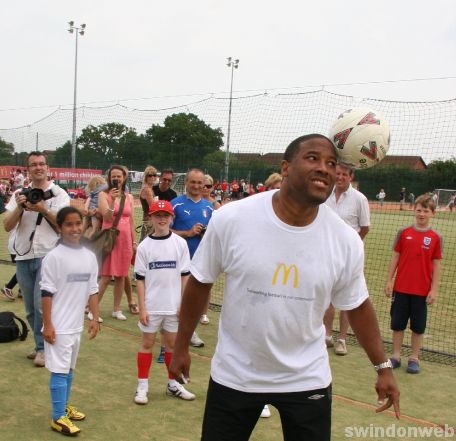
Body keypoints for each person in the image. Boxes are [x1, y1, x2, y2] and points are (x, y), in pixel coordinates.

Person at [170, 134, 400, 441]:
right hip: (237, 374)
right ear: (286, 168)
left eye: (331, 163)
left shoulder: (345, 240)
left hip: (307, 377)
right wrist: (181, 345)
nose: (324, 168)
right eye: (313, 158)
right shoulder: (232, 219)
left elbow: (357, 306)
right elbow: (200, 283)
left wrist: (383, 367)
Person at [3, 151, 70, 367]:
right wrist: (21, 208)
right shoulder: (19, 194)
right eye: (33, 165)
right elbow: (7, 225)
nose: (38, 168)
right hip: (24, 254)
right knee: (31, 308)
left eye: (41, 164)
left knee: (42, 306)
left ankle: (44, 349)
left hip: (49, 255)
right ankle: (40, 343)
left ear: (47, 167)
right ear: (28, 169)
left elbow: (63, 226)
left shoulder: (58, 194)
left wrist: (42, 208)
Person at [40, 206, 100, 436]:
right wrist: (49, 324)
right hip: (59, 326)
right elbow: (46, 293)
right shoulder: (53, 257)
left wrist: (94, 318)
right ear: (60, 227)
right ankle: (58, 418)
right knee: (59, 371)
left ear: (83, 224)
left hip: (76, 325)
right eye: (69, 224)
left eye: (78, 223)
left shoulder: (89, 256)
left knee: (69, 369)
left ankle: (64, 406)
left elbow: (92, 290)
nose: (75, 229)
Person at [133, 200, 195, 404]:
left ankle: (173, 385)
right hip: (151, 306)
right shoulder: (144, 247)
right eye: (157, 215)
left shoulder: (180, 243)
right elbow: (140, 281)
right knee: (147, 344)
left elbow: (185, 276)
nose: (161, 218)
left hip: (174, 306)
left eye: (165, 215)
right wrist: (142, 308)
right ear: (150, 218)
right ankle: (142, 387)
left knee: (171, 345)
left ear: (172, 218)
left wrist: (184, 305)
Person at [384, 194, 442, 374]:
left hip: (421, 291)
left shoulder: (435, 237)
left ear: (432, 213)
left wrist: (433, 289)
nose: (421, 214)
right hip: (401, 289)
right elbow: (396, 256)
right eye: (419, 210)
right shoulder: (403, 232)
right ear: (413, 210)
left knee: (418, 327)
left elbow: (436, 265)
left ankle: (414, 358)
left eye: (426, 211)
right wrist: (389, 280)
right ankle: (395, 356)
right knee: (397, 324)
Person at [324, 163, 370, 355]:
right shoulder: (325, 194)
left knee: (348, 299)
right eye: (338, 173)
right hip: (326, 254)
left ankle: (342, 339)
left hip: (349, 258)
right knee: (328, 298)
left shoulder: (360, 199)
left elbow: (365, 227)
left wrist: (350, 248)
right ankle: (326, 336)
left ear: (351, 177)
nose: (340, 177)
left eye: (344, 174)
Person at [171, 169, 214, 348]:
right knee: (176, 297)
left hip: (199, 260)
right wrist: (187, 233)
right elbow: (163, 231)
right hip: (177, 260)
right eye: (193, 182)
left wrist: (205, 235)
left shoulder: (209, 207)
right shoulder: (175, 204)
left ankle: (189, 332)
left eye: (200, 183)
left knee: (193, 300)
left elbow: (214, 235)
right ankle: (172, 329)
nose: (196, 186)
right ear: (186, 183)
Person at [96, 165, 137, 321]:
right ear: (109, 178)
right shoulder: (102, 195)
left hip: (125, 241)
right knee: (106, 277)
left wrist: (134, 241)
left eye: (119, 176)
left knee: (121, 276)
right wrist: (112, 200)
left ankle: (116, 309)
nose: (116, 179)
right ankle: (93, 309)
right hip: (110, 239)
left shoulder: (129, 197)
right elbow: (106, 217)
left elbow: (131, 221)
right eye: (114, 176)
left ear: (124, 178)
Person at [139, 166, 157, 241]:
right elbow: (153, 206)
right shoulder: (147, 190)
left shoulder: (148, 188)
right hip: (149, 219)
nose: (152, 177)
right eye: (150, 175)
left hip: (148, 218)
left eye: (154, 175)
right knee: (147, 241)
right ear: (146, 177)